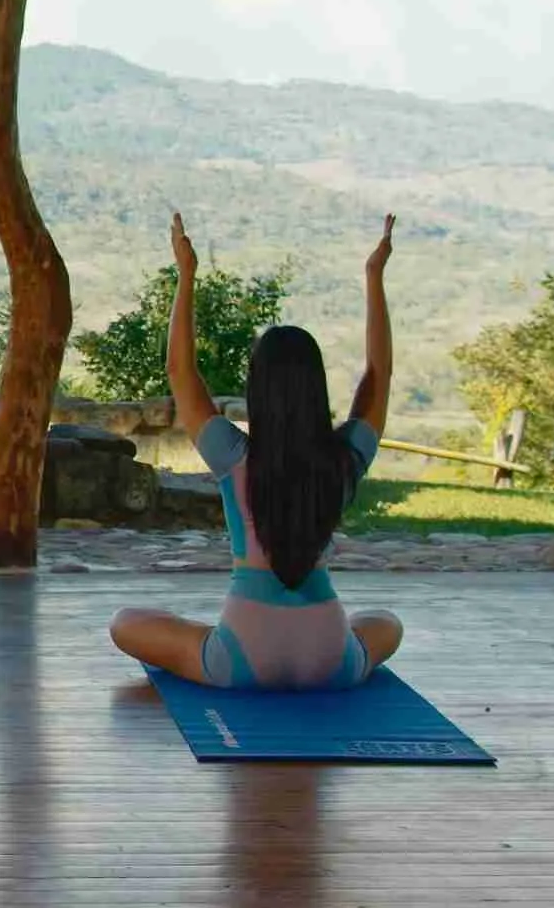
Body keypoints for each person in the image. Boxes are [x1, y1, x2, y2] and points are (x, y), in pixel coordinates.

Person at [109, 213, 405, 689]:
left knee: (126, 621)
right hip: (330, 657)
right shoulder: (345, 459)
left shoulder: (233, 455)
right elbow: (379, 374)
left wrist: (186, 276)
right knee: (386, 622)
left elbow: (179, 371)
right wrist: (375, 276)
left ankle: (211, 639)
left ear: (258, 388)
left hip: (242, 653)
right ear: (317, 388)